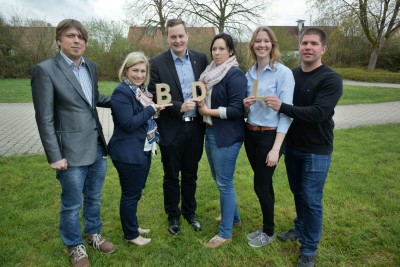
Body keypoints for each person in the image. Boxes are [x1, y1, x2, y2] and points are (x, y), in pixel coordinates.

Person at [31, 19, 115, 267]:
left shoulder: (91, 66)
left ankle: (93, 234)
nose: (77, 40)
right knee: (71, 203)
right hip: (69, 151)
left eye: (81, 37)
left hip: (97, 145)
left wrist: (130, 98)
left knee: (94, 197)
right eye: (70, 36)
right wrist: (54, 155)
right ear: (59, 40)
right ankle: (74, 246)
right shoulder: (45, 70)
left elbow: (93, 98)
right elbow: (44, 118)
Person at [266, 27, 343, 267]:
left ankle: (309, 249)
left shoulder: (330, 78)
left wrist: (283, 108)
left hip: (317, 149)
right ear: (299, 47)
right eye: (304, 43)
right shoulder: (292, 75)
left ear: (323, 49)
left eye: (313, 43)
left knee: (312, 199)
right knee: (298, 193)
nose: (308, 47)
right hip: (294, 147)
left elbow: (319, 113)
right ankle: (300, 228)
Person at [148, 18, 208, 235]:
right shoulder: (156, 63)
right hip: (171, 127)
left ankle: (190, 213)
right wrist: (177, 106)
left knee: (191, 174)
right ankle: (173, 215)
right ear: (167, 38)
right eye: (173, 36)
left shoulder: (200, 59)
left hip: (195, 128)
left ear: (187, 35)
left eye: (181, 36)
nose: (178, 40)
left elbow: (208, 84)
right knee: (171, 175)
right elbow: (154, 95)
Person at [108, 52, 171, 246]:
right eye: (135, 70)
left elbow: (143, 118)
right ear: (126, 70)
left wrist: (153, 110)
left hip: (143, 147)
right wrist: (152, 109)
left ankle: (133, 226)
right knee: (130, 194)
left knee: (136, 190)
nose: (139, 74)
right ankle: (131, 235)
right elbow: (128, 123)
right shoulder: (122, 92)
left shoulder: (140, 91)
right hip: (127, 152)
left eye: (143, 71)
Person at [243, 26, 294, 248]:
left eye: (266, 41)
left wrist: (276, 148)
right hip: (251, 134)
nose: (262, 45)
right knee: (264, 183)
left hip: (270, 137)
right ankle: (266, 227)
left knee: (261, 185)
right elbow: (248, 110)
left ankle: (269, 232)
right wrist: (245, 107)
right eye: (258, 41)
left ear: (273, 45)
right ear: (252, 45)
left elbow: (287, 114)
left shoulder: (283, 73)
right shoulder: (249, 73)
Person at [197, 33, 247, 249]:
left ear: (231, 51)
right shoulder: (209, 74)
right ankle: (233, 219)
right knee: (221, 178)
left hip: (226, 136)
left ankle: (225, 233)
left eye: (221, 49)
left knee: (224, 182)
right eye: (214, 49)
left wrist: (208, 110)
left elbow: (237, 110)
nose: (216, 53)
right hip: (210, 131)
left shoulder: (234, 75)